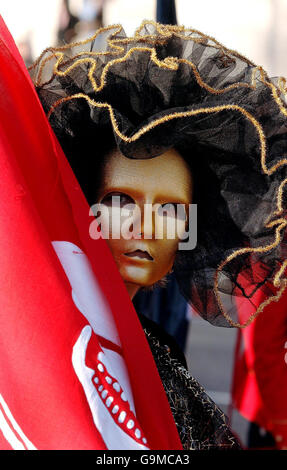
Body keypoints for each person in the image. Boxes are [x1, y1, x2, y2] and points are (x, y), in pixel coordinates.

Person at [28, 20, 287, 450]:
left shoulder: (162, 353)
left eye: (169, 209)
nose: (145, 226)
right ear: (85, 209)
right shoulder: (49, 345)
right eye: (121, 201)